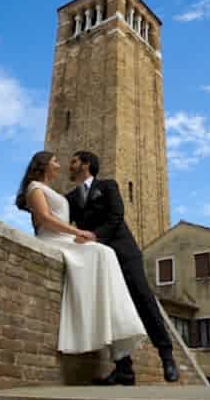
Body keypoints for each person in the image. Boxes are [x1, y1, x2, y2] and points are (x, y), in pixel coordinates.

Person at [16, 151, 146, 386]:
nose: (61, 164)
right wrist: (79, 233)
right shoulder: (34, 187)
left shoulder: (56, 192)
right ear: (43, 165)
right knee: (102, 252)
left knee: (104, 254)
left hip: (65, 240)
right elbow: (44, 220)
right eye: (55, 160)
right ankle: (122, 361)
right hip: (53, 241)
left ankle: (123, 360)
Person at [65, 151, 179, 384]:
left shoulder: (107, 186)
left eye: (74, 161)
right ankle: (124, 369)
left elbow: (117, 216)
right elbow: (58, 217)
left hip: (123, 251)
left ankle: (166, 356)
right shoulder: (70, 197)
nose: (70, 164)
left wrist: (95, 237)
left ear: (86, 164)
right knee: (109, 308)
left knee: (143, 299)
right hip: (97, 259)